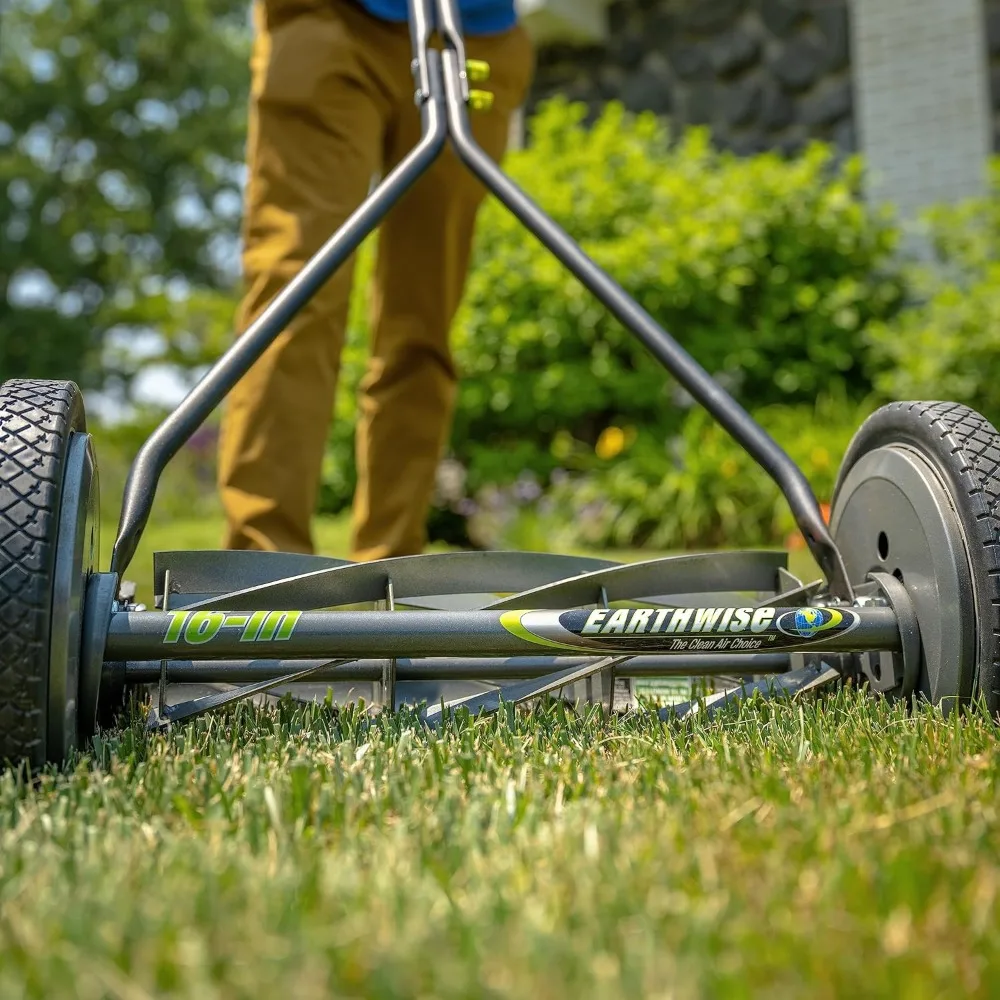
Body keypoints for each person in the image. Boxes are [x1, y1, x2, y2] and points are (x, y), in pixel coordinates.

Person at [217, 0, 534, 560]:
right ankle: (257, 568)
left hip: (470, 37)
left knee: (423, 321)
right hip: (331, 17)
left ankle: (393, 568)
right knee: (297, 293)